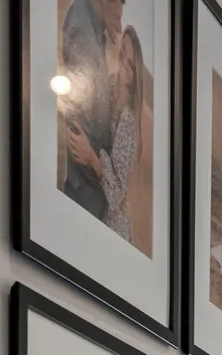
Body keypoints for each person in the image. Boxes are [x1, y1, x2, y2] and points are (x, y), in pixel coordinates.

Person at [66, 27, 144, 242]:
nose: (123, 64)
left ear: (136, 72)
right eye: (122, 54)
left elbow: (117, 195)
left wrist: (92, 157)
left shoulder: (128, 123)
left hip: (112, 226)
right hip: (92, 201)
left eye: (129, 62)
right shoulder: (108, 85)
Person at [58, 0, 125, 220]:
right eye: (121, 3)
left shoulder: (96, 32)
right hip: (85, 197)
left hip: (92, 197)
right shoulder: (83, 32)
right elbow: (81, 131)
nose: (120, 15)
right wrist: (101, 167)